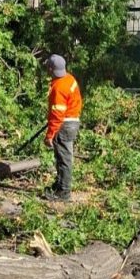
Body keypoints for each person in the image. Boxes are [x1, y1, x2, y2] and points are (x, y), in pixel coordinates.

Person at [44, 54, 83, 202]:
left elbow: (57, 114)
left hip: (64, 125)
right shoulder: (70, 79)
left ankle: (64, 193)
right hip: (72, 120)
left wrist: (49, 135)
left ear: (50, 69)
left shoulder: (58, 88)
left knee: (64, 159)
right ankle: (59, 185)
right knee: (62, 157)